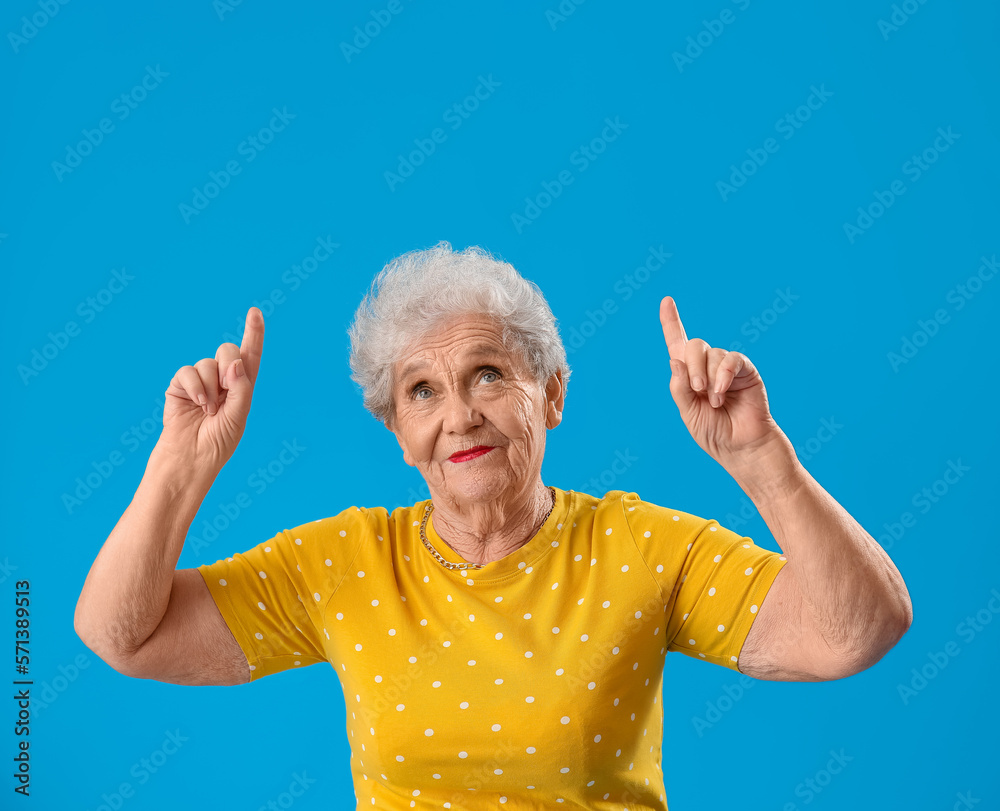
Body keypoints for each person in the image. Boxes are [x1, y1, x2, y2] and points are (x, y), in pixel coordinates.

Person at [74, 241, 913, 809]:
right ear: (398, 432)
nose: (460, 417)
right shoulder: (344, 563)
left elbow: (858, 630)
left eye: (487, 374)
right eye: (422, 391)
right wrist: (180, 468)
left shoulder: (642, 547)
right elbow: (123, 633)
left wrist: (762, 460)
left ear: (550, 394)